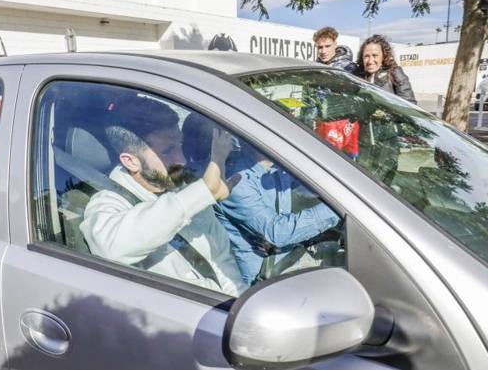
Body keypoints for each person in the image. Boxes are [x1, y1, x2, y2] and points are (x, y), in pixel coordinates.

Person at [80, 99, 248, 296]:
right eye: (168, 151)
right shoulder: (107, 202)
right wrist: (203, 192)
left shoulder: (184, 187)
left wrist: (237, 303)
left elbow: (222, 260)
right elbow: (112, 247)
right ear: (131, 161)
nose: (182, 159)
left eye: (181, 145)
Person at [182, 114, 340, 284]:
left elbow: (310, 189)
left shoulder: (277, 166)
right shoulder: (236, 180)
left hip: (291, 256)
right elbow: (276, 233)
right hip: (269, 276)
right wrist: (340, 208)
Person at [356, 34, 417, 104]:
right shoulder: (357, 75)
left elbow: (409, 104)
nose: (370, 61)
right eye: (366, 56)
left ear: (384, 56)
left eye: (375, 55)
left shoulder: (395, 73)